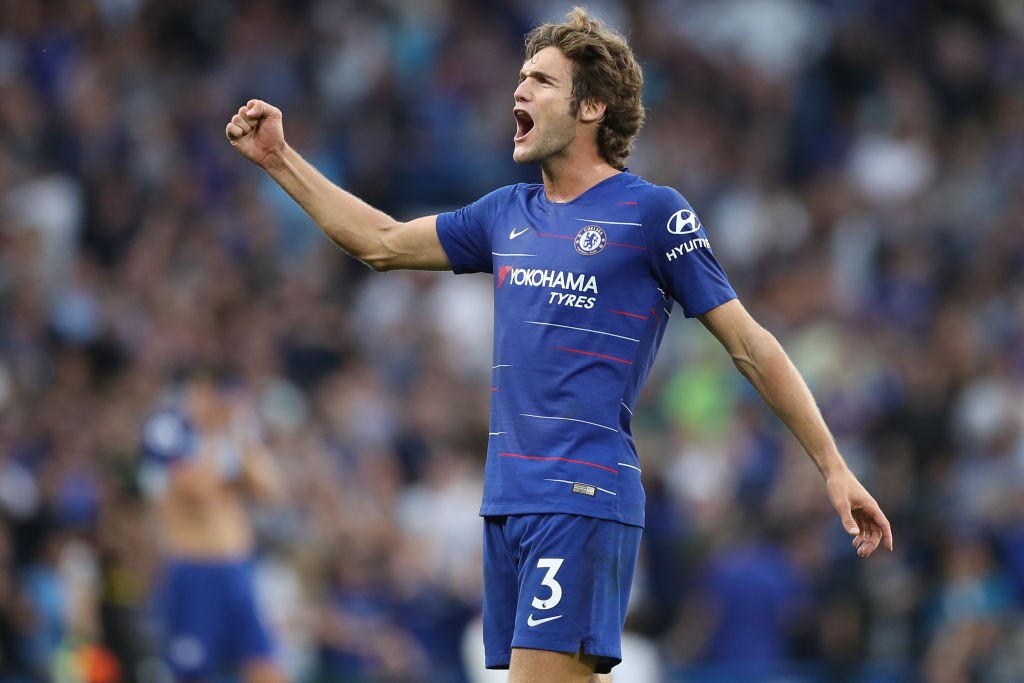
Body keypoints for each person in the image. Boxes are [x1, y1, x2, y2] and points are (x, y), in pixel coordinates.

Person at [225, 7, 893, 682]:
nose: (519, 90)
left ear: (592, 105)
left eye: (541, 80)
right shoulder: (505, 213)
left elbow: (749, 342)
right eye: (521, 77)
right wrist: (279, 158)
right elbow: (381, 243)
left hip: (580, 496)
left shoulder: (653, 212)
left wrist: (833, 465)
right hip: (508, 502)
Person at [139, 373, 287, 683]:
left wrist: (242, 438)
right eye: (215, 394)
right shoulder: (168, 429)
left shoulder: (231, 435)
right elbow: (199, 492)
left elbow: (271, 488)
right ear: (197, 391)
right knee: (193, 671)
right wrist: (214, 439)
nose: (222, 404)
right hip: (194, 571)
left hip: (236, 569)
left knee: (265, 665)